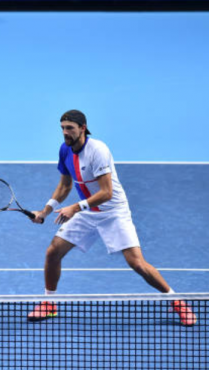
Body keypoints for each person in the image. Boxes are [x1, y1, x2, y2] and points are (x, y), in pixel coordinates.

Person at [28, 110, 196, 326]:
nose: (65, 132)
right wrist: (45, 211)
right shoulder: (65, 150)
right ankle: (49, 304)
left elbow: (106, 192)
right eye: (62, 128)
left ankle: (178, 302)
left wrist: (75, 208)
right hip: (87, 212)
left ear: (83, 127)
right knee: (53, 252)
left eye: (69, 128)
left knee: (137, 263)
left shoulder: (98, 150)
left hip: (113, 211)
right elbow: (65, 185)